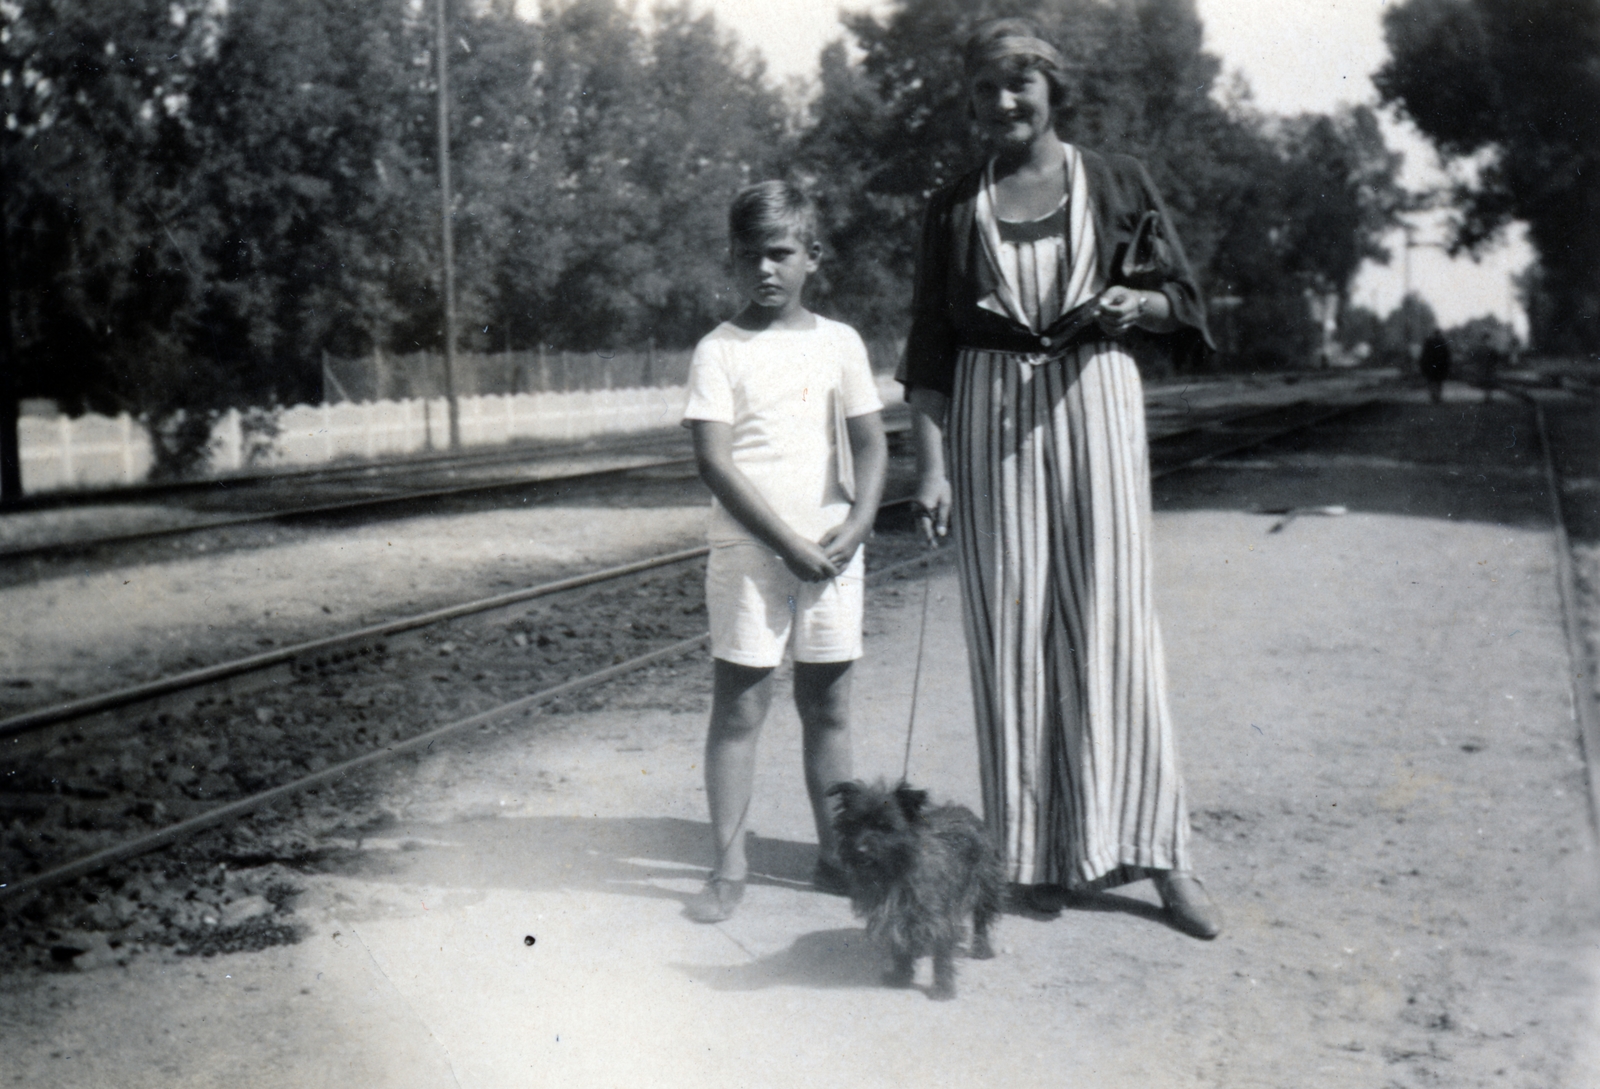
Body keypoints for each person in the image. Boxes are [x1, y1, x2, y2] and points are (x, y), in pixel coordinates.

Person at [897, 18, 1222, 939]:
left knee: (1115, 627)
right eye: (986, 90)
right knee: (1012, 634)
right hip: (990, 413)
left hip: (1097, 400)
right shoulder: (956, 205)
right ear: (971, 103)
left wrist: (1141, 301)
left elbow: (1184, 304)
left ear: (1052, 88)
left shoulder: (1116, 181)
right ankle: (1032, 855)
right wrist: (930, 467)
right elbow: (929, 346)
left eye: (1020, 84)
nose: (1005, 102)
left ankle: (1161, 855)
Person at [681, 181, 889, 923]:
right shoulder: (719, 350)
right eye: (749, 256)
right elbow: (716, 462)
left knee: (829, 706)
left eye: (780, 253)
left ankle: (837, 854)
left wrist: (858, 522)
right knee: (741, 708)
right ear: (733, 262)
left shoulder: (841, 343)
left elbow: (869, 444)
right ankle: (729, 865)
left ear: (813, 257)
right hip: (751, 553)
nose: (765, 270)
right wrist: (786, 543)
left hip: (830, 553)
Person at [1419, 330, 1451, 404]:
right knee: (1438, 382)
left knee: (1431, 381)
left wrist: (1423, 366)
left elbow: (1424, 355)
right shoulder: (1443, 343)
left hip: (1431, 366)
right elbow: (1447, 356)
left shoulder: (1428, 343)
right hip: (1440, 366)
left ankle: (1433, 396)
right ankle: (1437, 396)